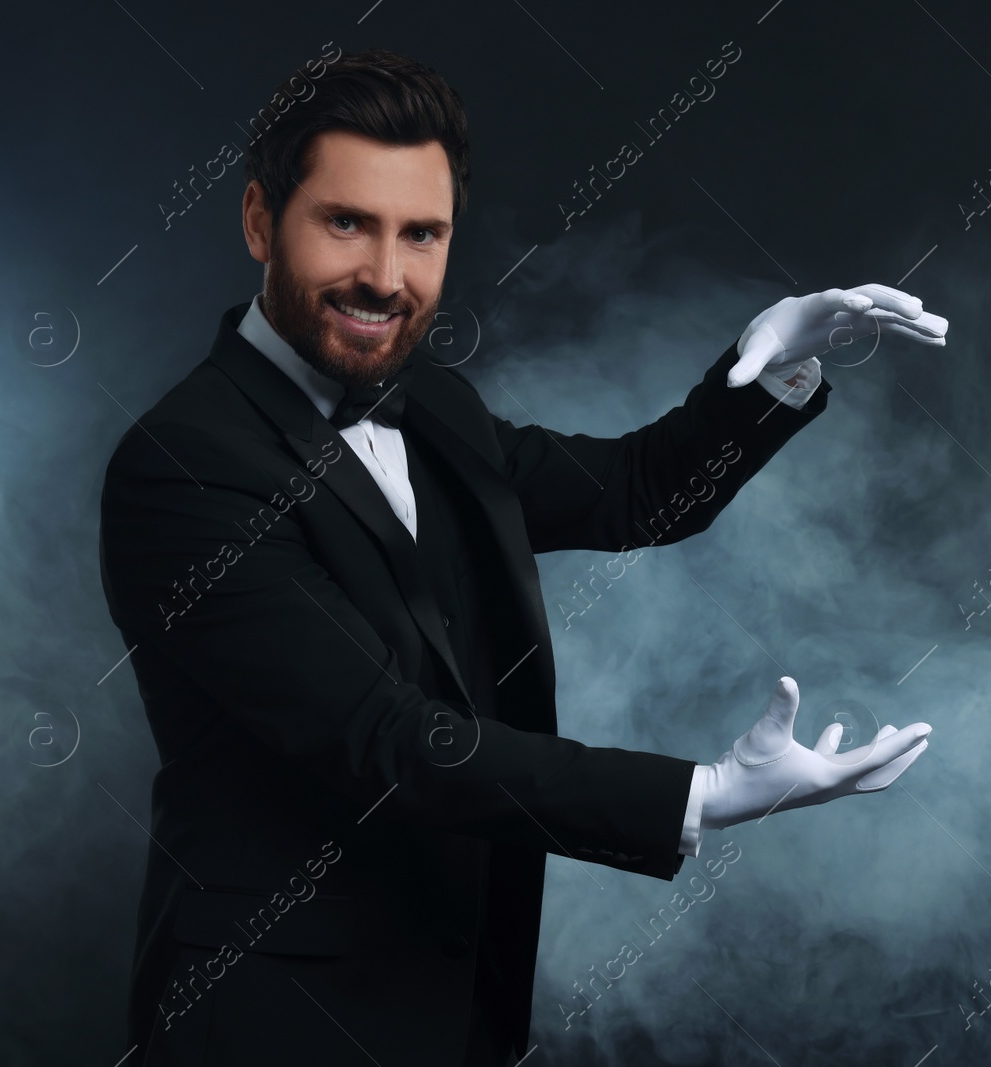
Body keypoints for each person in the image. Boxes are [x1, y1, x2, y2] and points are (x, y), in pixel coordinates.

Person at [98, 47, 948, 1067]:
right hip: (268, 1022)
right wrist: (700, 794)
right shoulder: (183, 464)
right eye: (345, 223)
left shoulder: (436, 404)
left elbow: (632, 493)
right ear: (256, 220)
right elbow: (389, 742)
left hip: (456, 1005)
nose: (384, 274)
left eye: (422, 234)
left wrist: (771, 367)